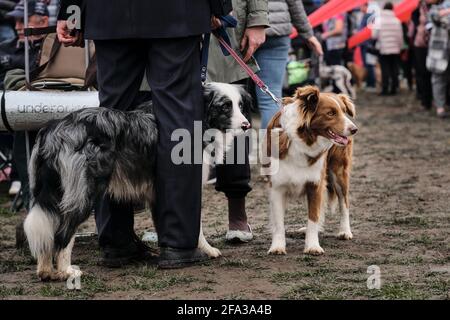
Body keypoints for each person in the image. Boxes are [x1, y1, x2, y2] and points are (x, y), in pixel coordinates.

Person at [57, 0, 218, 268]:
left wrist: (71, 13)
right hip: (178, 14)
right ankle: (178, 243)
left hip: (110, 15)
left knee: (109, 123)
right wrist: (219, 8)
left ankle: (116, 242)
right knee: (181, 126)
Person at [208, 0, 269, 242]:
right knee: (182, 134)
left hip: (225, 28)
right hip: (174, 34)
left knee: (235, 126)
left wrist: (257, 21)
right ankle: (183, 226)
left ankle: (237, 216)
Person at [255, 0, 323, 129]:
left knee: (235, 93)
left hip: (241, 30)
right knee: (270, 99)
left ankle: (238, 149)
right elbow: (294, 3)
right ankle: (272, 149)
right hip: (278, 30)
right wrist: (308, 34)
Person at [372, 2, 404, 95]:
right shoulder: (397, 21)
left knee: (385, 69)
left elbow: (374, 36)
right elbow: (400, 37)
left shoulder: (378, 20)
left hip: (383, 49)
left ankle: (385, 89)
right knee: (394, 68)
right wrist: (400, 47)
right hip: (395, 49)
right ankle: (394, 88)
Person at [411, 0, 436, 110]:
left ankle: (440, 101)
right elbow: (415, 25)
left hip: (438, 45)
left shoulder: (443, 7)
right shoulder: (417, 11)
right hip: (421, 45)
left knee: (439, 74)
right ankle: (426, 101)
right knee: (423, 73)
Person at [427, 0, 450, 118]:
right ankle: (440, 108)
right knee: (438, 79)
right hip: (439, 53)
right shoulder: (435, 9)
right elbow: (435, 17)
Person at [322, 0, 346, 66]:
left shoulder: (337, 10)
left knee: (336, 71)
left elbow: (339, 29)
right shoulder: (331, 10)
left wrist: (324, 35)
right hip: (331, 46)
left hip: (336, 46)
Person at [359, 3, 377, 91]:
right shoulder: (366, 16)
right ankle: (369, 83)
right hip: (365, 44)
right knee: (367, 64)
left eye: (362, 6)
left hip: (367, 44)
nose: (360, 8)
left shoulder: (369, 16)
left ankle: (372, 84)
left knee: (369, 64)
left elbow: (368, 31)